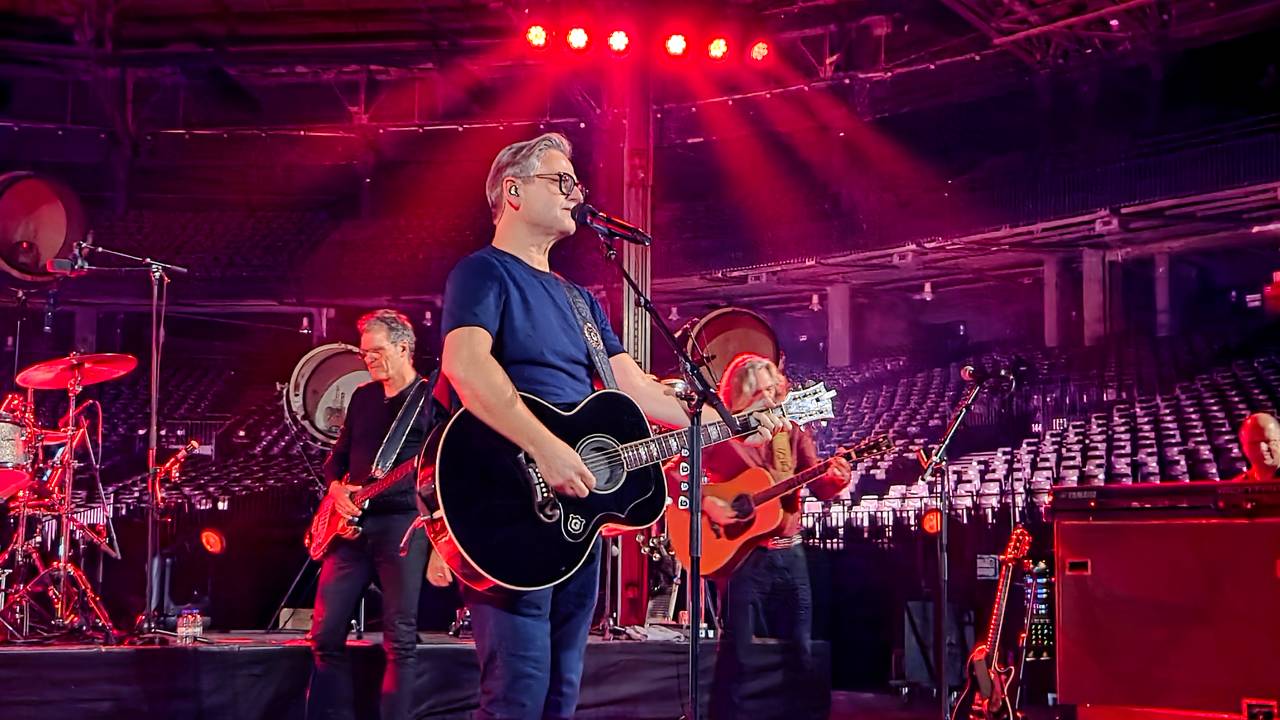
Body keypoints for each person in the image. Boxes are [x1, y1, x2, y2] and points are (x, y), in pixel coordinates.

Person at [435, 132, 780, 720]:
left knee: (560, 693)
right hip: (508, 497)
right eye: (561, 181)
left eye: (577, 183)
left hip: (577, 518)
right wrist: (545, 449)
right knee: (515, 693)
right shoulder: (482, 273)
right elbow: (464, 364)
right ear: (514, 192)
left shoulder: (580, 301)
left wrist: (735, 421)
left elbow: (637, 389)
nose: (576, 193)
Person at [696, 353, 852, 720]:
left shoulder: (793, 432)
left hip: (791, 555)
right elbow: (677, 474)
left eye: (772, 390)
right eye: (758, 394)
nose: (770, 399)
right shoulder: (723, 436)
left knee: (800, 652)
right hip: (743, 558)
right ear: (740, 399)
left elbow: (820, 484)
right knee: (738, 653)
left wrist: (838, 476)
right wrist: (709, 502)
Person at [306, 309, 433, 720]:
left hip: (402, 524)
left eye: (376, 352)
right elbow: (336, 459)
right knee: (325, 635)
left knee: (400, 638)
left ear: (403, 348)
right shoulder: (362, 396)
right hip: (348, 524)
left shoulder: (430, 401)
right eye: (364, 353)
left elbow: (446, 469)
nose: (368, 360)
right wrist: (337, 488)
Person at [1234, 412, 1280, 482]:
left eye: (1268, 441)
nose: (1262, 448)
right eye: (1254, 443)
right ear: (1244, 448)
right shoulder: (1237, 486)